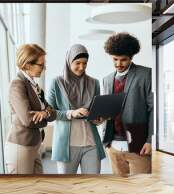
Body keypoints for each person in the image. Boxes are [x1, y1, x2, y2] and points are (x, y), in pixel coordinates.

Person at [47, 44, 106, 174]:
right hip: (66, 145)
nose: (81, 67)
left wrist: (98, 118)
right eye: (77, 63)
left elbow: (96, 109)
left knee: (92, 185)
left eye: (85, 63)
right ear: (69, 61)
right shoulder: (57, 83)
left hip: (91, 144)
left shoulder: (94, 83)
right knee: (67, 187)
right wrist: (71, 113)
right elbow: (49, 113)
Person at [101, 32, 153, 176]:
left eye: (123, 60)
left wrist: (150, 140)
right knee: (121, 191)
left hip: (139, 146)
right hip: (113, 147)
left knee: (142, 190)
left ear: (131, 57)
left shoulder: (146, 74)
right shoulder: (106, 80)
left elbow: (153, 109)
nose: (118, 64)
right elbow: (108, 112)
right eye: (115, 59)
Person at [5, 43, 56, 174]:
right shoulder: (17, 85)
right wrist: (46, 115)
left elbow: (53, 113)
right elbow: (28, 119)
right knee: (22, 191)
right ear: (28, 65)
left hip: (34, 145)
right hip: (21, 146)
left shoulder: (34, 86)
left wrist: (44, 113)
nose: (44, 68)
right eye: (41, 65)